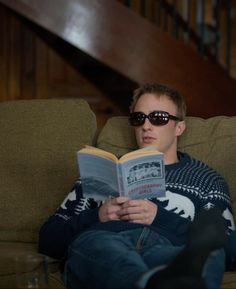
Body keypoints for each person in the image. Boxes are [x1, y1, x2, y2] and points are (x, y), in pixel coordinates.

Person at [38, 82, 235, 289]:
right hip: (104, 244)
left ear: (179, 127)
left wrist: (161, 218)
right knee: (98, 246)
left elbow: (229, 247)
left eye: (158, 118)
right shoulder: (102, 171)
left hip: (164, 250)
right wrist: (97, 216)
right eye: (138, 118)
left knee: (209, 253)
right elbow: (48, 240)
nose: (146, 126)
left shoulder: (206, 179)